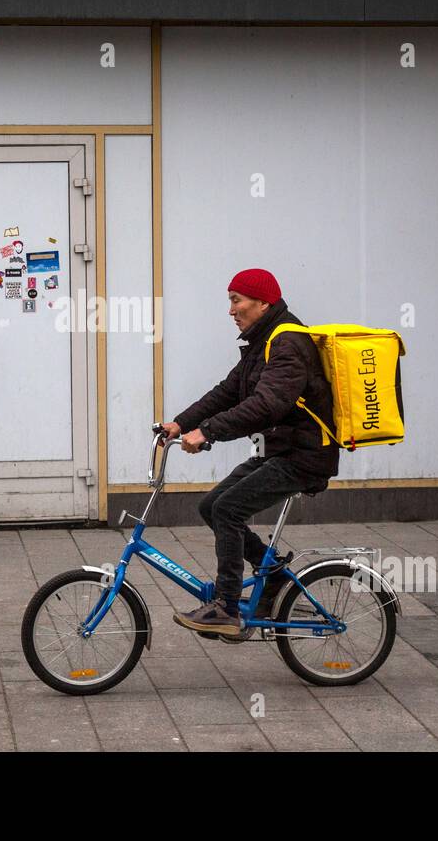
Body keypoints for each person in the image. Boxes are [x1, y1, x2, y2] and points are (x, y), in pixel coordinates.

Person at [159, 269, 338, 636]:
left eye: (236, 300)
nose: (231, 310)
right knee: (211, 506)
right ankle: (272, 575)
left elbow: (266, 406)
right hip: (279, 451)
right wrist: (180, 423)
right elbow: (228, 391)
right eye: (230, 300)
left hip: (303, 456)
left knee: (228, 508)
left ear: (263, 303)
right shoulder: (264, 341)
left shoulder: (287, 343)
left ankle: (226, 607)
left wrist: (207, 432)